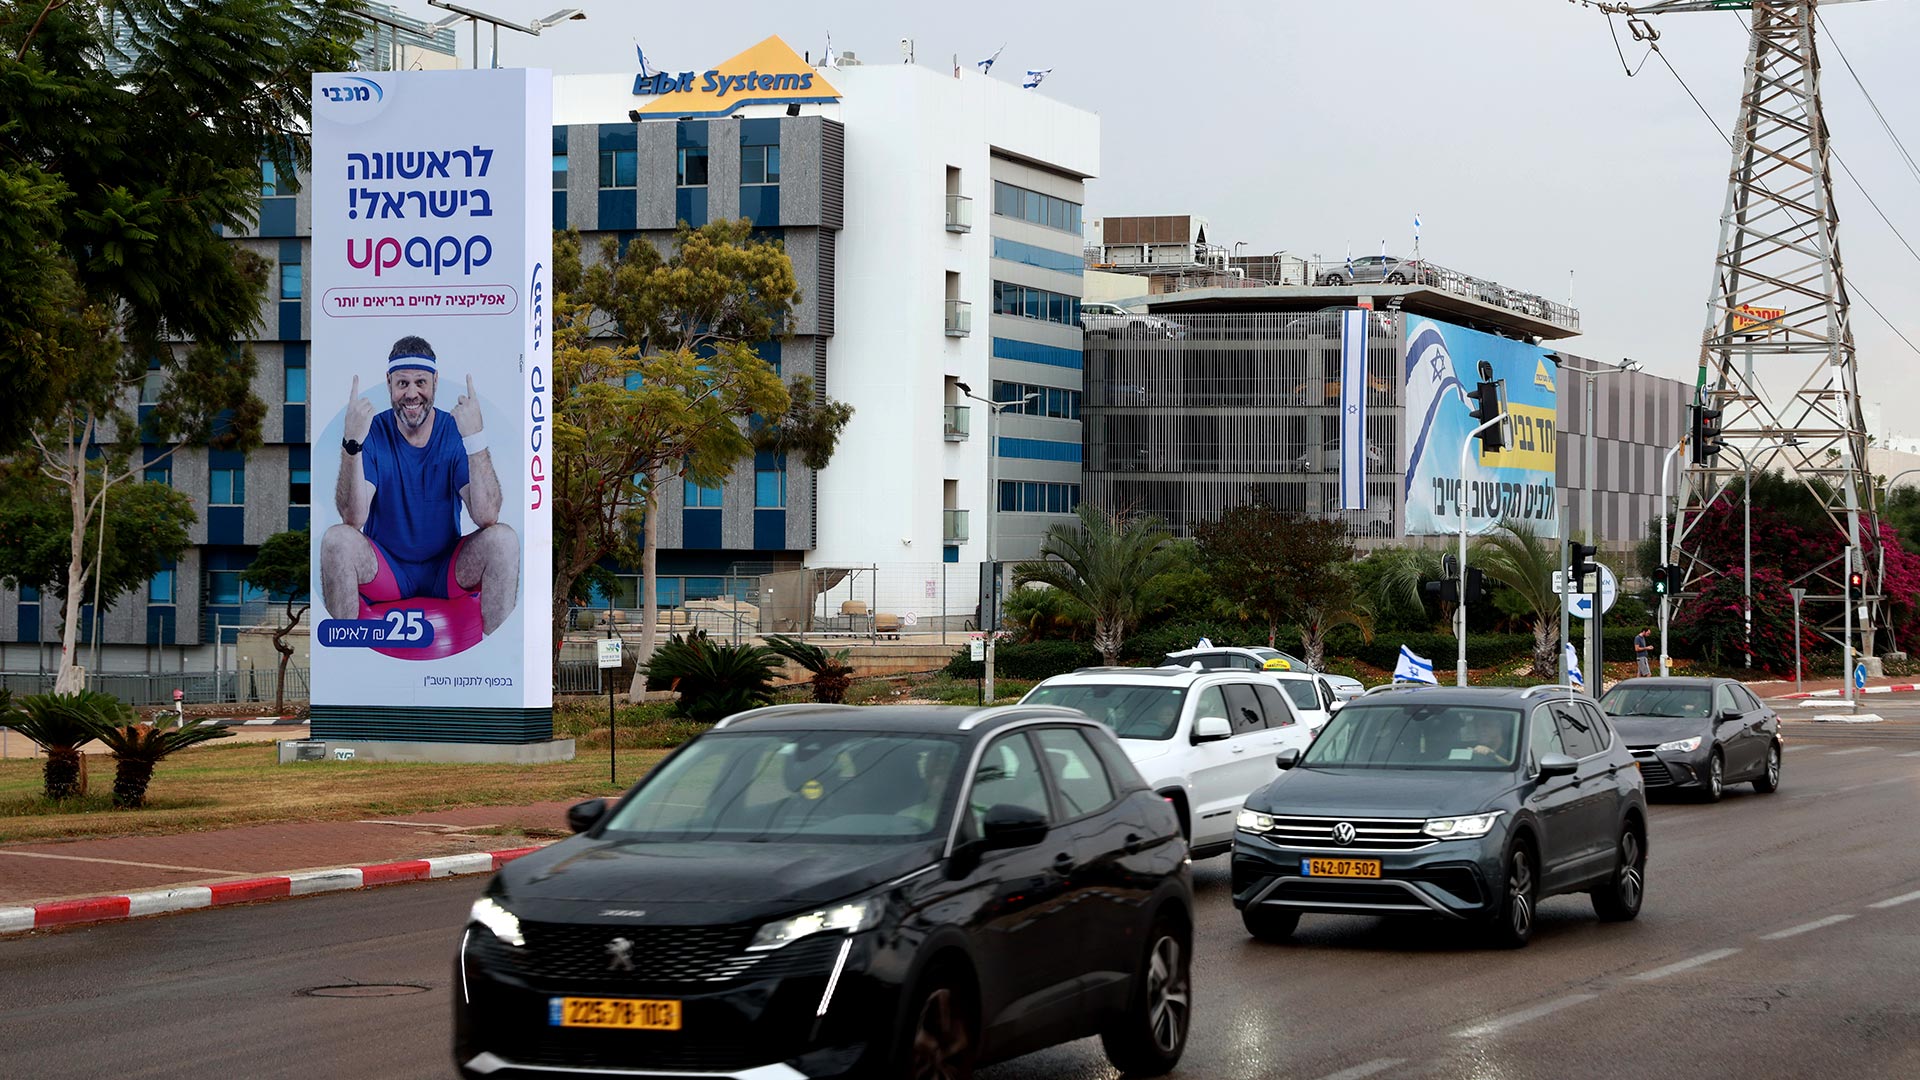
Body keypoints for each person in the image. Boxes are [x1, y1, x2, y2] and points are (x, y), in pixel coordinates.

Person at [319, 336, 520, 636]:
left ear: (435, 381)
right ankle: (348, 663)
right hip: (387, 571)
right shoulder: (372, 430)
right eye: (402, 384)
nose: (412, 394)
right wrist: (352, 443)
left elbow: (487, 516)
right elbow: (353, 519)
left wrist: (476, 439)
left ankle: (497, 661)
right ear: (388, 383)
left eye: (420, 383)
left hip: (445, 570)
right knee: (336, 540)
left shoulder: (454, 431)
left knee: (503, 540)